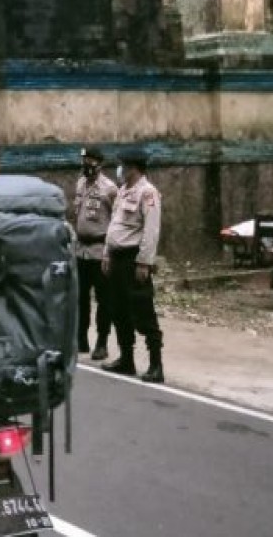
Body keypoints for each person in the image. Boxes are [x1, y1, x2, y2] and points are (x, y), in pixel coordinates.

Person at [101, 147, 165, 383]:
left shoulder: (148, 193)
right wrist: (107, 254)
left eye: (123, 165)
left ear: (133, 168)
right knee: (118, 310)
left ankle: (156, 365)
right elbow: (114, 225)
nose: (120, 169)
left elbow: (151, 231)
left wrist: (144, 263)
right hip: (117, 258)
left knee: (143, 311)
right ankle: (126, 359)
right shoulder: (122, 191)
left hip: (133, 260)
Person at [73, 146, 118, 359]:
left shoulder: (109, 189)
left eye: (90, 160)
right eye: (84, 160)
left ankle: (102, 342)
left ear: (99, 164)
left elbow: (116, 220)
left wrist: (111, 250)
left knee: (104, 300)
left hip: (100, 251)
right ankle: (81, 338)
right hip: (81, 250)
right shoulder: (80, 183)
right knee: (80, 298)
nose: (86, 164)